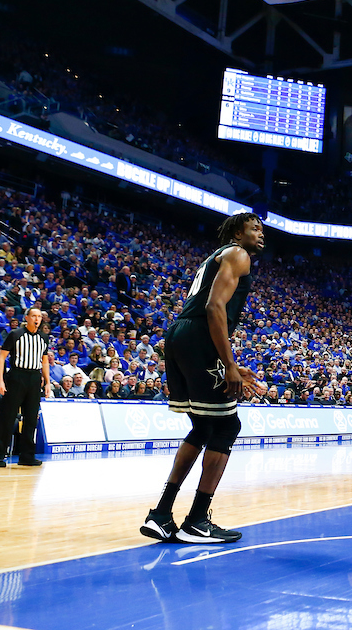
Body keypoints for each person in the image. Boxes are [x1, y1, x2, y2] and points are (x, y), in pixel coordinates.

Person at [140, 214, 265, 545]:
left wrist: (230, 363)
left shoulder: (216, 256)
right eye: (255, 228)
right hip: (198, 335)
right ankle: (196, 521)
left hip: (180, 335)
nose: (261, 234)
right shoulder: (238, 254)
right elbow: (213, 307)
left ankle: (162, 515)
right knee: (227, 426)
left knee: (204, 427)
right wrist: (229, 364)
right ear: (238, 232)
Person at [0, 307, 50, 468]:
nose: (37, 318)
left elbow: (44, 361)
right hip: (16, 376)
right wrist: (0, 381)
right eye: (34, 316)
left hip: (35, 378)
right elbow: (1, 358)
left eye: (39, 316)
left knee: (31, 419)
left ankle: (27, 456)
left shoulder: (44, 337)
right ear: (27, 318)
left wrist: (47, 382)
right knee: (7, 417)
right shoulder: (15, 334)